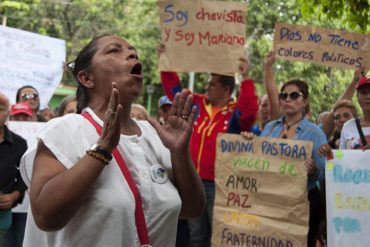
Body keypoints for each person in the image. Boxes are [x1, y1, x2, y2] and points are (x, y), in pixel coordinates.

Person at [19, 35, 205, 247]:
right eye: (114, 50)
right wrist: (101, 150)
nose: (132, 54)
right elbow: (45, 216)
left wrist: (179, 153)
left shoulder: (154, 134)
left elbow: (192, 209)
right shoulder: (65, 130)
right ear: (86, 78)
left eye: (132, 50)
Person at [158, 44, 258, 247]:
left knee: (219, 235)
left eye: (211, 84)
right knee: (196, 236)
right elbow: (174, 91)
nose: (206, 87)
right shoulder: (197, 104)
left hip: (220, 184)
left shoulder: (233, 112)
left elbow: (249, 114)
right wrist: (165, 61)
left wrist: (246, 78)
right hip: (193, 181)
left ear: (225, 89)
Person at [243, 79, 327, 247]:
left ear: (305, 102)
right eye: (283, 95)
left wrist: (313, 170)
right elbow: (258, 159)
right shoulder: (270, 127)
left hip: (303, 202)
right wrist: (249, 143)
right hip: (271, 198)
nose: (287, 99)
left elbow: (322, 172)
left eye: (294, 95)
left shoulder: (315, 133)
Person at [0, 93, 28, 247]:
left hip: (4, 215)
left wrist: (15, 195)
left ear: (8, 114)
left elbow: (24, 175)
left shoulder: (19, 143)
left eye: (0, 109)